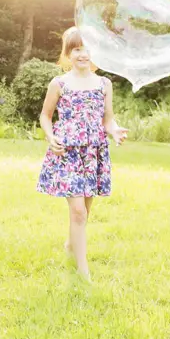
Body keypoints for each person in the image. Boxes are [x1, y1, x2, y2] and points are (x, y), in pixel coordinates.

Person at [37, 27, 127, 279]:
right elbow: (45, 115)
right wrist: (50, 134)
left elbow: (107, 120)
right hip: (67, 152)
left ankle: (70, 244)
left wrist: (115, 130)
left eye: (87, 49)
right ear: (68, 53)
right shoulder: (59, 83)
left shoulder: (104, 84)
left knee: (84, 211)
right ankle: (83, 270)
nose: (82, 54)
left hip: (93, 153)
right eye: (76, 49)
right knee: (77, 211)